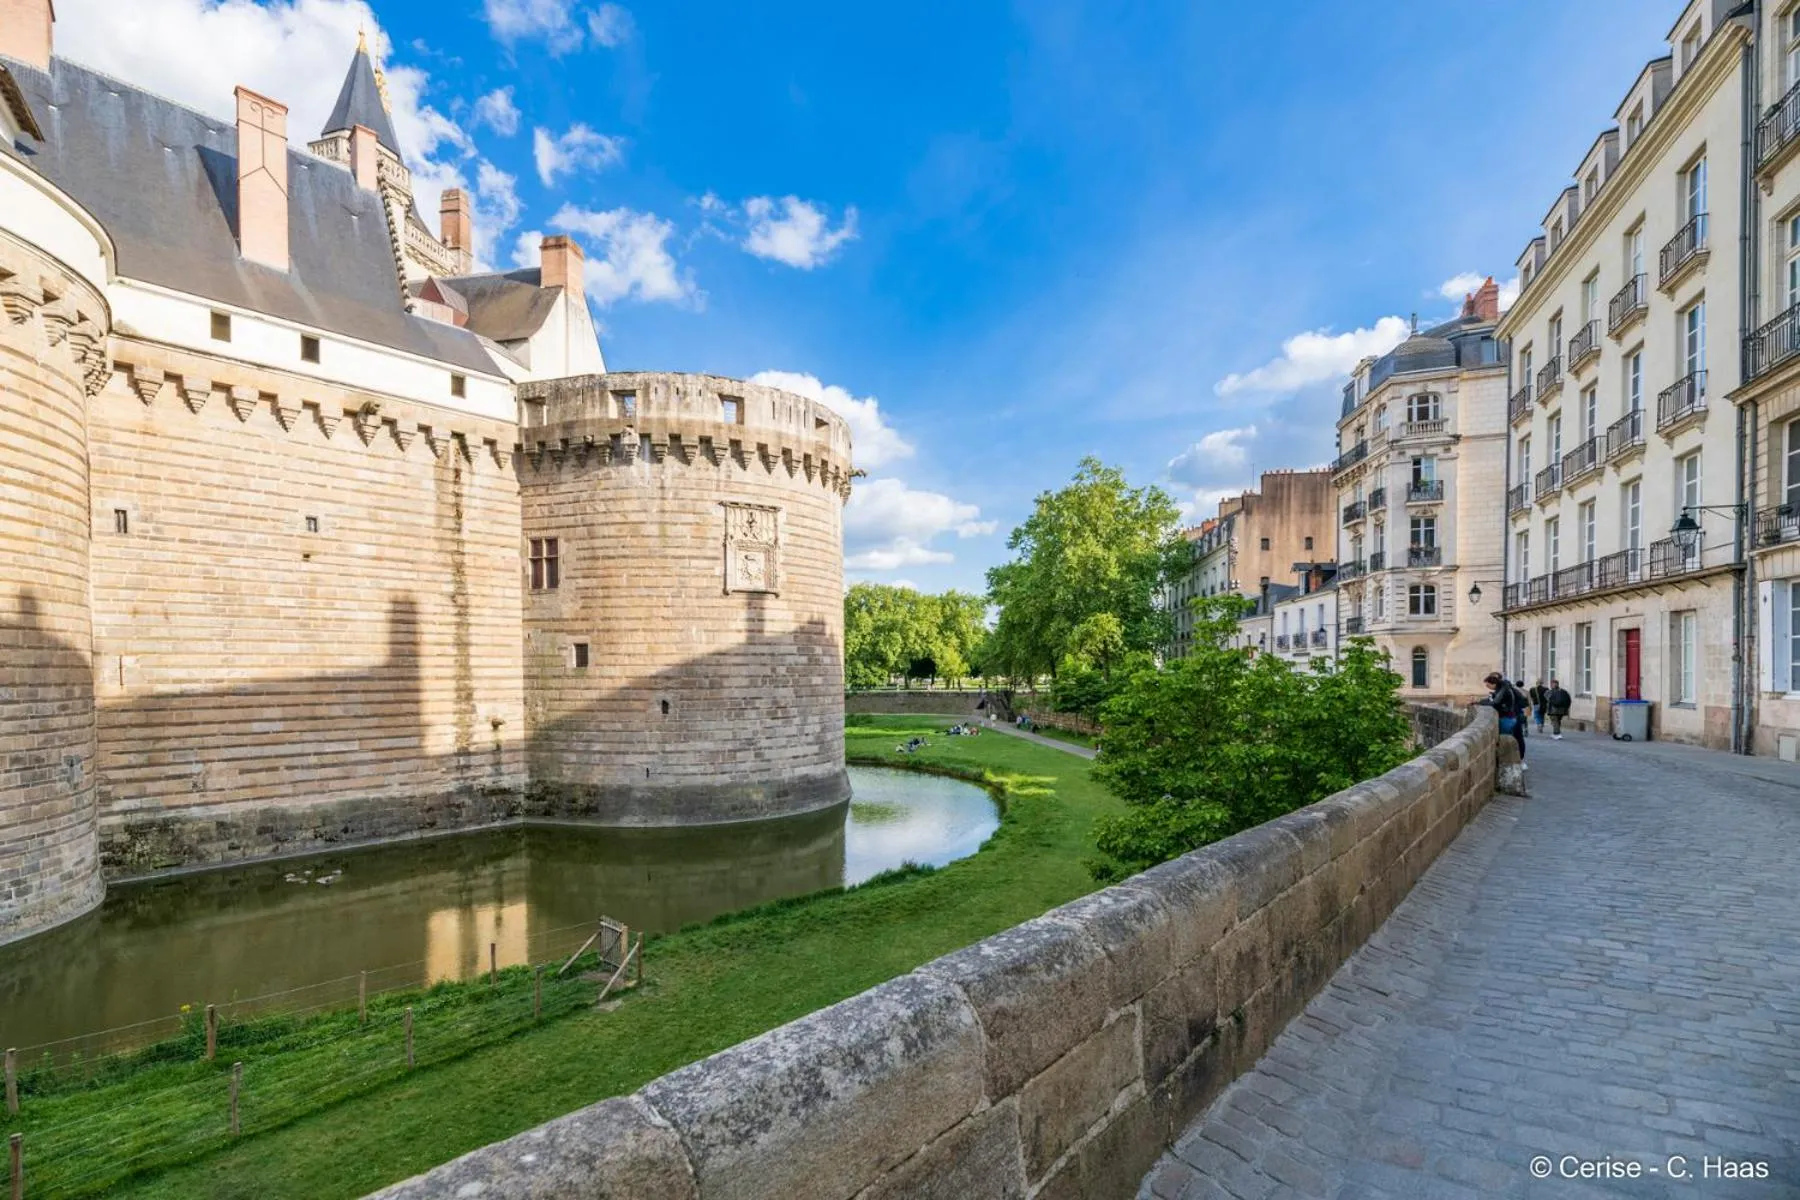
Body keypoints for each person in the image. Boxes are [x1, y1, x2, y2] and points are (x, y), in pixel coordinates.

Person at [1484, 671, 1527, 761]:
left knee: (1514, 737)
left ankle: (1518, 758)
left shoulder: (1504, 688)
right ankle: (1518, 759)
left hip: (1512, 715)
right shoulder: (1502, 688)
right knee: (1514, 737)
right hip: (1512, 715)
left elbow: (1496, 702)